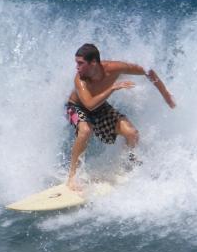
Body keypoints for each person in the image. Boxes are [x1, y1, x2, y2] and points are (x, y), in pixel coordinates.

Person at [64, 43, 176, 190]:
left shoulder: (114, 68)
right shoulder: (80, 80)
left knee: (132, 134)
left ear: (93, 63)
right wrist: (112, 88)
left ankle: (127, 164)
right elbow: (89, 105)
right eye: (76, 63)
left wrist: (166, 94)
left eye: (80, 63)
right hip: (76, 107)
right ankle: (72, 177)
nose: (77, 67)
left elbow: (147, 71)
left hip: (100, 107)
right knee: (85, 130)